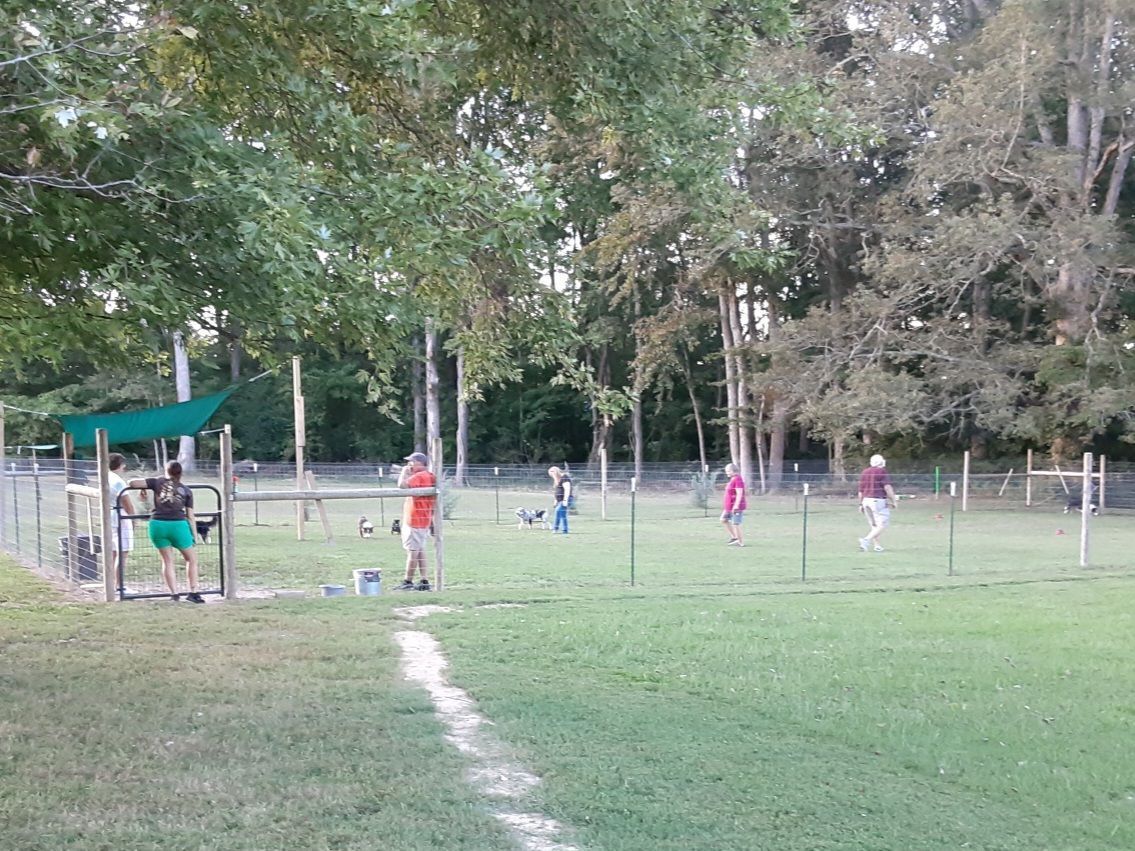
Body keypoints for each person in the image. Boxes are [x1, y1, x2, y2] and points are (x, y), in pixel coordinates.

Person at [129, 461, 203, 602]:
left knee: (167, 561)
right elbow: (190, 516)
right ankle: (193, 592)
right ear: (181, 473)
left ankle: (174, 593)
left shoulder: (157, 482)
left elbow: (132, 482)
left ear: (166, 471)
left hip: (157, 524)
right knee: (191, 559)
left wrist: (145, 487)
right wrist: (194, 534)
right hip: (178, 526)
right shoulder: (186, 490)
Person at [396, 451, 437, 591]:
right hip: (423, 519)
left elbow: (401, 485)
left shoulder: (420, 476)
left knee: (412, 551)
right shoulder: (430, 476)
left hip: (414, 519)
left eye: (412, 462)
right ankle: (424, 580)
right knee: (419, 549)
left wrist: (403, 472)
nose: (409, 464)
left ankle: (408, 581)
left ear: (420, 463)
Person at [857, 453, 897, 552]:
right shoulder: (881, 471)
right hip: (878, 500)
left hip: (866, 500)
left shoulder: (865, 472)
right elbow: (887, 487)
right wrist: (893, 500)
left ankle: (877, 546)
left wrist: (861, 504)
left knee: (874, 526)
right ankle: (866, 540)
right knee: (882, 524)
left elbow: (860, 491)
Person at [107, 453, 135, 585]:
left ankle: (113, 584)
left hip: (110, 517)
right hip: (120, 518)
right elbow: (127, 504)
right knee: (122, 552)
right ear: (120, 465)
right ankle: (119, 586)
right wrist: (134, 519)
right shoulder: (118, 481)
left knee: (114, 552)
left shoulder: (105, 477)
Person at [721, 462, 747, 547]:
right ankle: (734, 538)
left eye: (728, 471)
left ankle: (740, 542)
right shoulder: (732, 480)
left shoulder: (738, 479)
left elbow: (739, 493)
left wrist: (736, 505)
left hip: (735, 506)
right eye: (726, 471)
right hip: (728, 506)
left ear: (733, 471)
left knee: (736, 523)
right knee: (723, 519)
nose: (727, 473)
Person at [548, 466, 572, 534]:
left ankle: (555, 528)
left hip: (565, 499)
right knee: (562, 515)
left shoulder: (565, 478)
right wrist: (555, 501)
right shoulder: (557, 480)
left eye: (552, 474)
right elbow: (557, 491)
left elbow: (567, 489)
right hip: (560, 500)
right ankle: (565, 530)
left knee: (558, 511)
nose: (552, 476)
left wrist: (565, 500)